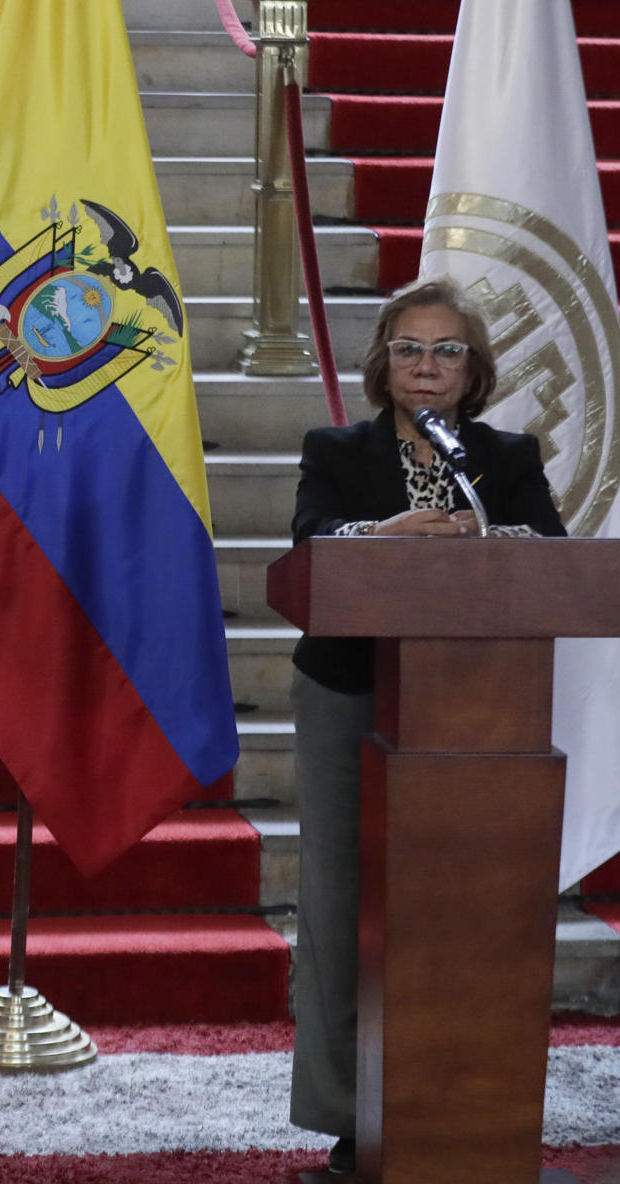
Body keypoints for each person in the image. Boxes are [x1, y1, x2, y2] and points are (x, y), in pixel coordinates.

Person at [285, 275, 564, 1175]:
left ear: (474, 368)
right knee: (340, 899)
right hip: (349, 694)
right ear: (382, 362)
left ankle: (463, 1100)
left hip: (475, 709)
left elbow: (554, 559)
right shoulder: (333, 448)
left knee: (464, 901)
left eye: (448, 350)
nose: (427, 365)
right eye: (409, 347)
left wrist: (486, 543)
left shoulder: (508, 456)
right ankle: (346, 1113)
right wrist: (387, 533)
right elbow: (312, 544)